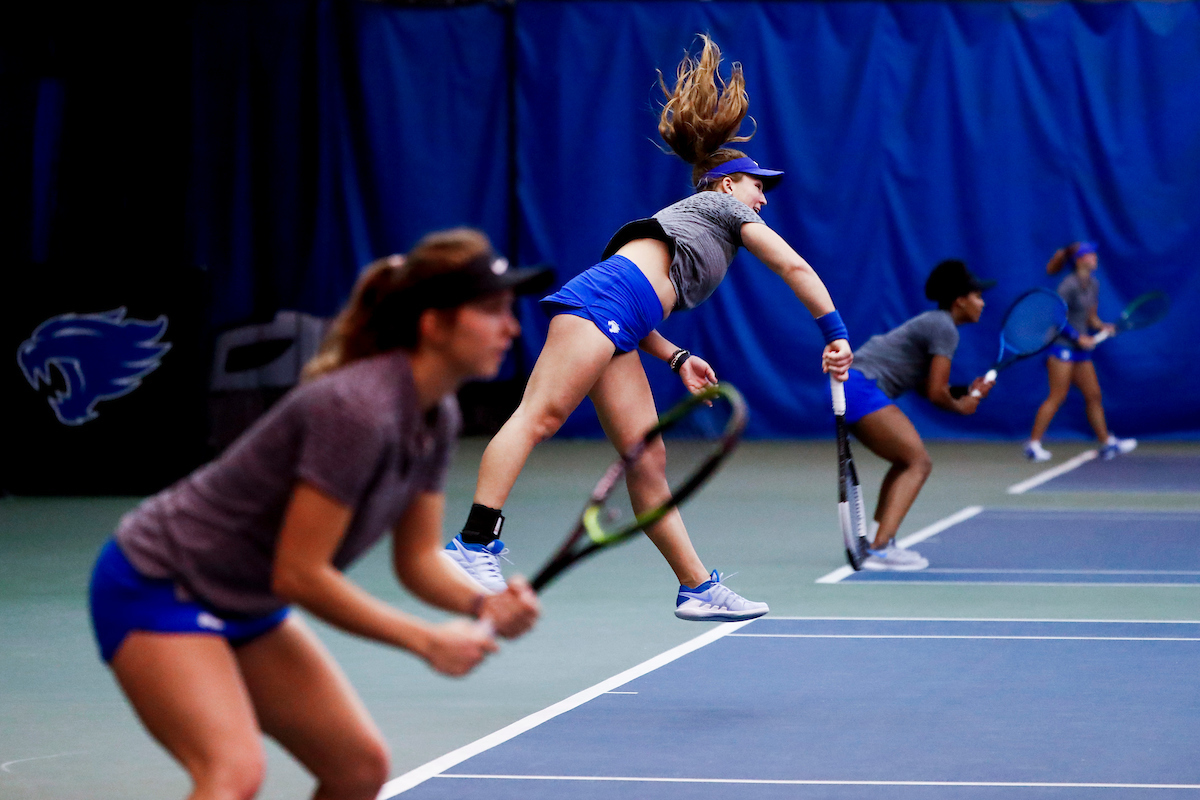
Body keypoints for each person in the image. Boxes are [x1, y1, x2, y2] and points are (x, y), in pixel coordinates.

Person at [88, 228, 544, 800]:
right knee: (232, 773)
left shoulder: (437, 414)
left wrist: (484, 603)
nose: (512, 328)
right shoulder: (358, 410)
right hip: (160, 583)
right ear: (433, 323)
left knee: (357, 769)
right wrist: (427, 641)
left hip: (244, 599)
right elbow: (299, 575)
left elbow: (418, 559)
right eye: (491, 311)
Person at [442, 35, 853, 620]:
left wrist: (678, 358)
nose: (764, 198)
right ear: (729, 184)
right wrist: (834, 332)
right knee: (541, 417)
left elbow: (642, 306)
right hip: (601, 306)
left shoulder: (693, 228)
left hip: (621, 320)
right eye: (760, 185)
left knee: (647, 458)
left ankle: (696, 587)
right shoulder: (726, 209)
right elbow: (793, 265)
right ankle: (473, 544)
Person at [839, 260, 994, 571]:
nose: (983, 302)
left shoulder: (935, 322)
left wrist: (967, 392)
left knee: (905, 461)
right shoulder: (944, 327)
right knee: (918, 462)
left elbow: (926, 387)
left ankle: (879, 542)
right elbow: (937, 393)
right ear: (960, 300)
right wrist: (962, 405)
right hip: (861, 386)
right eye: (978, 296)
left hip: (850, 387)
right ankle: (882, 548)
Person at [1024, 241, 1137, 462]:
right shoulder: (1068, 285)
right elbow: (1056, 318)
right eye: (1090, 254)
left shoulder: (1093, 284)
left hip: (1080, 351)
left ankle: (1106, 443)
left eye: (1094, 253)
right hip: (1063, 347)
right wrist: (1078, 337)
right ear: (1080, 260)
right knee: (1057, 396)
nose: (1095, 257)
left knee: (1093, 395)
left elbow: (1090, 317)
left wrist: (1102, 326)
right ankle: (1033, 445)